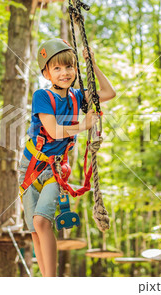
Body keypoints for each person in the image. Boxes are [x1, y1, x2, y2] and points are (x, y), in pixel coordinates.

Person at [17, 38, 116, 277]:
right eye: (57, 68)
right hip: (30, 167)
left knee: (42, 222)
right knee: (34, 229)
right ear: (47, 73)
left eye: (69, 67)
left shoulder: (76, 97)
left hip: (55, 168)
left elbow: (109, 92)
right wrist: (84, 125)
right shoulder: (42, 96)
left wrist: (92, 63)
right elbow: (52, 131)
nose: (65, 73)